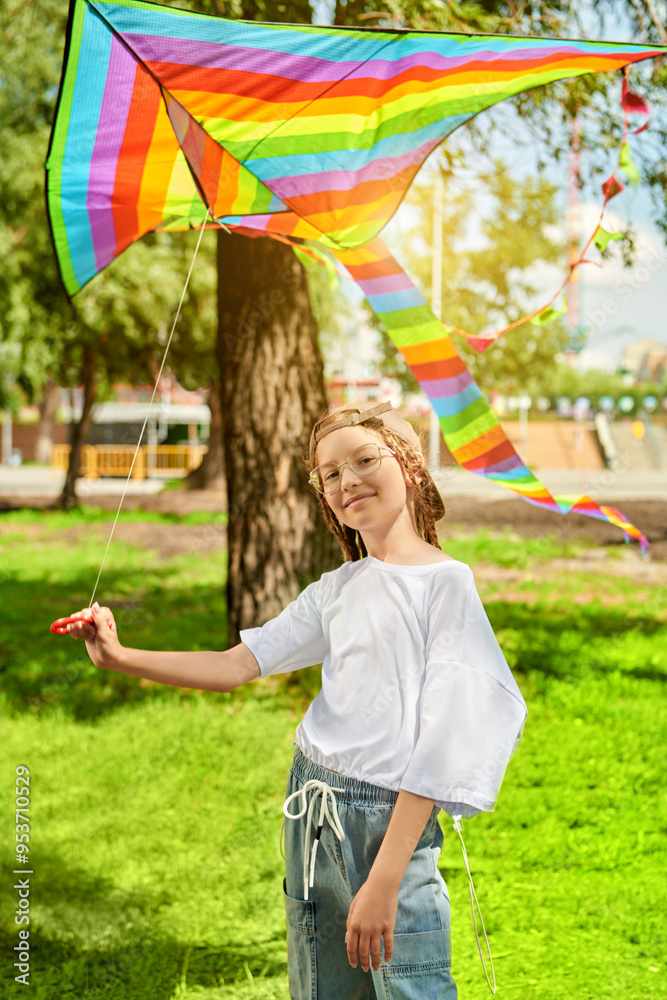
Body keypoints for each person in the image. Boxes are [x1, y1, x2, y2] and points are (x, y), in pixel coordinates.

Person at [66, 399, 527, 1000]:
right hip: (310, 811)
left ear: (411, 465)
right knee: (321, 988)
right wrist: (118, 656)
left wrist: (385, 879)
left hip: (386, 825)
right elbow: (236, 664)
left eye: (364, 460)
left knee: (412, 988)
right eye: (329, 474)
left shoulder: (444, 584)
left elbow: (446, 740)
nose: (347, 481)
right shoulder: (337, 588)